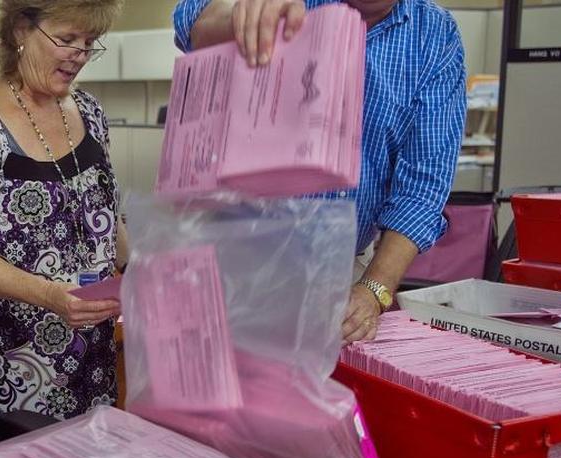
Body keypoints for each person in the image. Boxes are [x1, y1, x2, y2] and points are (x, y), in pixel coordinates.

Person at [174, 0, 466, 344]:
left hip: (340, 271)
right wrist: (243, 17)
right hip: (231, 257)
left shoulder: (435, 35)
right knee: (215, 370)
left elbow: (421, 189)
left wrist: (373, 290)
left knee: (325, 374)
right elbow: (191, 21)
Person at [0, 0, 128, 419]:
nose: (79, 55)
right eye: (67, 38)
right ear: (21, 29)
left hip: (92, 361)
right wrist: (49, 295)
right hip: (13, 369)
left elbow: (105, 215)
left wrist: (139, 269)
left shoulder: (91, 113)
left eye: (90, 42)